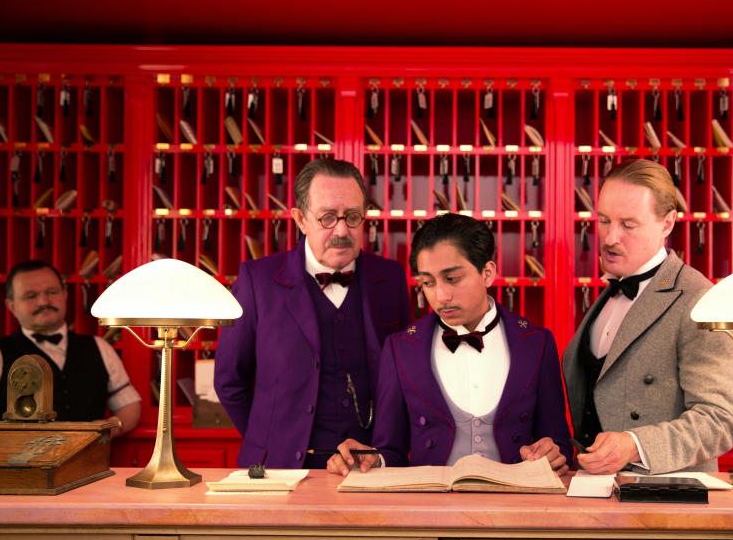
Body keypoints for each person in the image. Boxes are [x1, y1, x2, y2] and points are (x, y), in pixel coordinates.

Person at [328, 213, 572, 476]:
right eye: (427, 283)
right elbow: (391, 451)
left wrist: (553, 454)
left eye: (452, 279)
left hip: (516, 511)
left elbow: (559, 446)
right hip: (430, 510)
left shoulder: (537, 343)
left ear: (488, 273)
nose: (441, 296)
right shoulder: (400, 349)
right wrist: (371, 460)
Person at [215, 158, 411, 469]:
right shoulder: (257, 280)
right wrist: (269, 441)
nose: (342, 230)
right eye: (328, 218)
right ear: (300, 219)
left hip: (368, 469)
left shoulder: (391, 278)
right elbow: (229, 380)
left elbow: (405, 376)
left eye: (353, 217)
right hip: (278, 470)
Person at [562, 159, 733, 475]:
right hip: (595, 491)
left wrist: (633, 444)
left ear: (667, 223)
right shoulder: (608, 293)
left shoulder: (700, 299)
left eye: (628, 225)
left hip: (664, 502)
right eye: (604, 220)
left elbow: (719, 421)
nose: (609, 238)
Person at [0, 260, 141, 435]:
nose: (43, 301)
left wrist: (113, 426)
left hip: (89, 460)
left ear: (65, 294)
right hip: (16, 461)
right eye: (30, 296)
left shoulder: (99, 346)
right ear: (11, 306)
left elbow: (129, 404)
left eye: (51, 292)